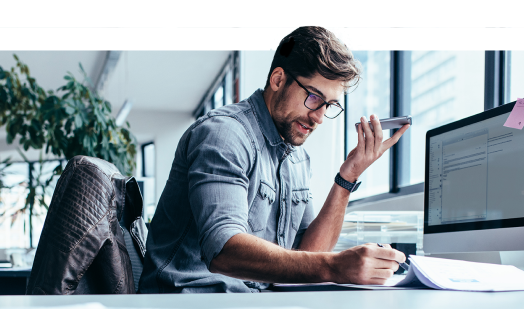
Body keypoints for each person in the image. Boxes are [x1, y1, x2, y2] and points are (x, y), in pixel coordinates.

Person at [138, 26, 411, 293]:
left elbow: (308, 256)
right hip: (190, 298)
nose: (318, 117)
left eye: (329, 105)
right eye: (314, 97)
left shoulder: (297, 158)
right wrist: (335, 266)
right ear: (278, 79)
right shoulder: (224, 135)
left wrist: (348, 177)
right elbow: (223, 251)